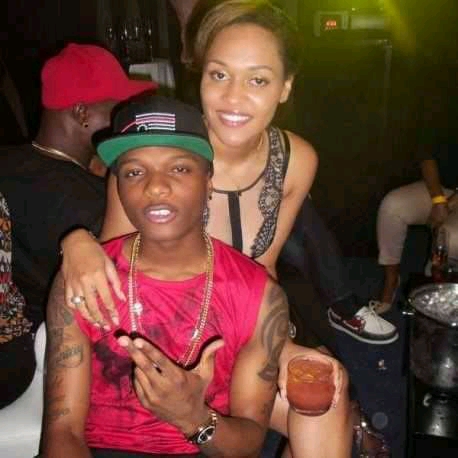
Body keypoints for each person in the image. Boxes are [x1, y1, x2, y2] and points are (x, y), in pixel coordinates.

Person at [59, 2, 388, 455]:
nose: (234, 98)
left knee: (324, 386)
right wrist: (75, 242)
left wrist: (277, 344)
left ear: (286, 86)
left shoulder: (297, 160)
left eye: (258, 80)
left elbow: (264, 267)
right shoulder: (162, 152)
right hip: (166, 329)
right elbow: (116, 259)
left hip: (246, 323)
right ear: (200, 77)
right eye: (219, 75)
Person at [42, 95, 347, 458]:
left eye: (180, 169)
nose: (155, 187)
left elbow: (248, 443)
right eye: (134, 172)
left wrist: (194, 418)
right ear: (118, 186)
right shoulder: (83, 279)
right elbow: (63, 432)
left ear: (208, 181)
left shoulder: (260, 296)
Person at [0, 43, 156, 410]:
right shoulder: (84, 199)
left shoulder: (10, 160)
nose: (124, 120)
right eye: (117, 108)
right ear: (83, 113)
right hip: (50, 360)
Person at [371, 59, 458, 314]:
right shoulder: (441, 99)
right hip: (441, 188)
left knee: (449, 237)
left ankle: (433, 289)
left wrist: (451, 203)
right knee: (393, 206)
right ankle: (391, 280)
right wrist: (439, 201)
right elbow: (426, 155)